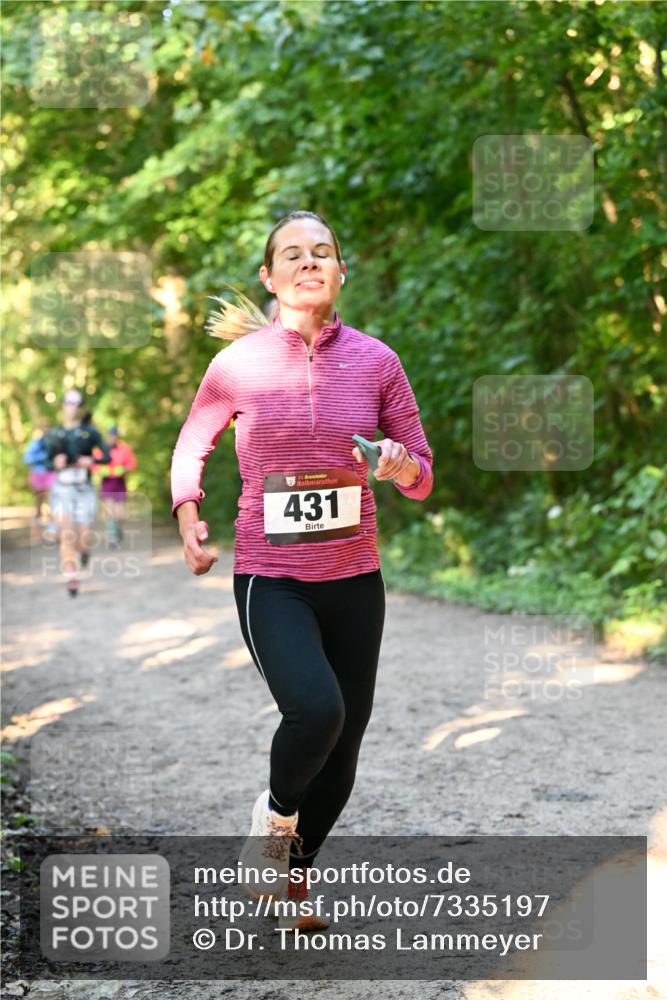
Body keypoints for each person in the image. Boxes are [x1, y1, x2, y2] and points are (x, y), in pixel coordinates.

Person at [171, 210, 433, 932]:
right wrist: (187, 511)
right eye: (293, 253)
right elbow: (192, 443)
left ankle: (291, 883)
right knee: (317, 711)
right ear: (270, 276)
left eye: (323, 252)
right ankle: (273, 820)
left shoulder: (377, 361)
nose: (309, 261)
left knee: (344, 747)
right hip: (270, 576)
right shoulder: (237, 366)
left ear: (341, 271)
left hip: (354, 577)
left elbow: (420, 471)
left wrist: (401, 464)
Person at [45, 389, 111, 597]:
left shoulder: (90, 432)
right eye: (68, 403)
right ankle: (72, 579)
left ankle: (83, 551)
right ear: (63, 406)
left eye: (76, 403)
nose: (72, 407)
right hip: (62, 490)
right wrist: (54, 463)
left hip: (84, 490)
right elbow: (45, 463)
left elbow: (107, 456)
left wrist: (93, 460)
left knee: (82, 538)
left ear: (81, 407)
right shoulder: (55, 434)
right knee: (66, 535)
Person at [93, 425, 137, 546]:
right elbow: (94, 465)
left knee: (121, 514)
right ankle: (112, 536)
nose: (112, 438)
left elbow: (132, 464)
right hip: (107, 483)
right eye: (111, 435)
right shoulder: (100, 450)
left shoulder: (124, 449)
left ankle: (117, 529)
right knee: (109, 510)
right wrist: (102, 470)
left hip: (120, 483)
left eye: (115, 436)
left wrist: (124, 469)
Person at [22, 420, 57, 538]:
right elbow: (27, 458)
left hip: (50, 473)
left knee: (51, 499)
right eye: (45, 428)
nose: (47, 431)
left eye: (49, 428)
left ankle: (52, 527)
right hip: (38, 474)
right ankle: (37, 525)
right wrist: (42, 457)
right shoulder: (36, 443)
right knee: (39, 501)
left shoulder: (53, 443)